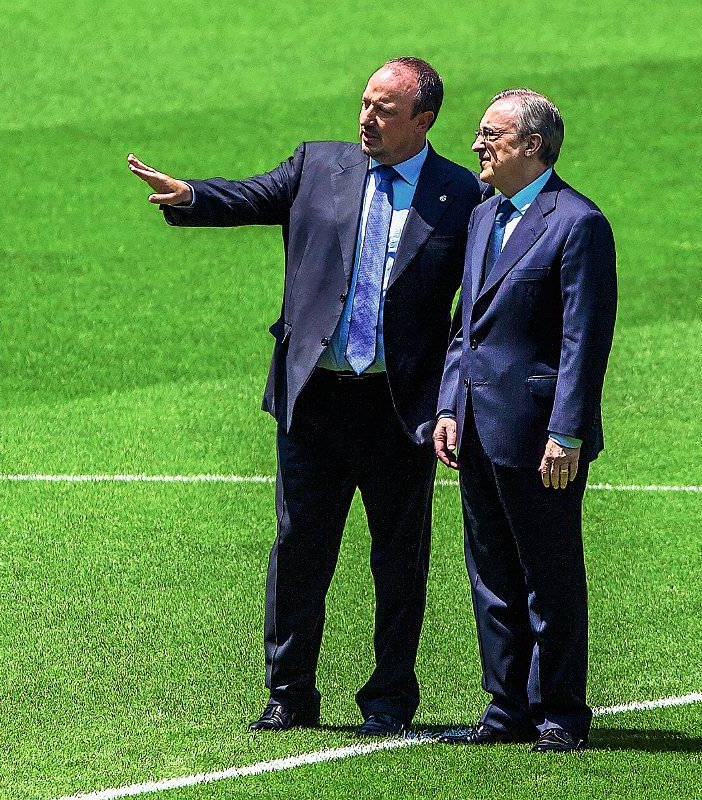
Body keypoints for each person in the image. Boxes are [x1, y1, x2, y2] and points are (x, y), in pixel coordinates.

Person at [127, 58, 486, 737]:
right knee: (298, 551)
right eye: (365, 102)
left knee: (399, 561)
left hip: (399, 408)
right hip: (314, 400)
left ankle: (389, 700)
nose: (366, 118)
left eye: (384, 110)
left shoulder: (459, 193)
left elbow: (474, 308)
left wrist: (453, 399)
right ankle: (289, 693)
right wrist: (189, 195)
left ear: (424, 120)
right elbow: (252, 196)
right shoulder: (319, 165)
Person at [432, 89, 617, 752]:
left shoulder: (578, 223)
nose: (477, 145)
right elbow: (466, 327)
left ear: (532, 145)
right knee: (491, 577)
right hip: (477, 424)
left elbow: (583, 340)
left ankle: (560, 713)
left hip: (540, 435)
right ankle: (505, 709)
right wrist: (449, 405)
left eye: (492, 135)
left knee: (549, 577)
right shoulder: (485, 215)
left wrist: (566, 432)